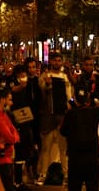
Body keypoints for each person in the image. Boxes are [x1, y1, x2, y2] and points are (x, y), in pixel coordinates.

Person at [59, 86, 99, 191]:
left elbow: (63, 132)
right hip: (92, 157)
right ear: (87, 100)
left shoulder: (70, 114)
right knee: (92, 187)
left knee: (74, 186)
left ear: (75, 100)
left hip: (75, 158)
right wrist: (96, 99)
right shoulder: (94, 112)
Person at [35, 52, 71, 186]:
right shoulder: (44, 76)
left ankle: (66, 174)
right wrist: (48, 85)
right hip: (48, 117)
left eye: (59, 60)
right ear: (50, 62)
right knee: (46, 148)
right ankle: (43, 174)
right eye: (54, 60)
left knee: (63, 149)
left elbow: (69, 96)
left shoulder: (65, 77)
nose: (57, 63)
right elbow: (42, 92)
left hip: (62, 116)